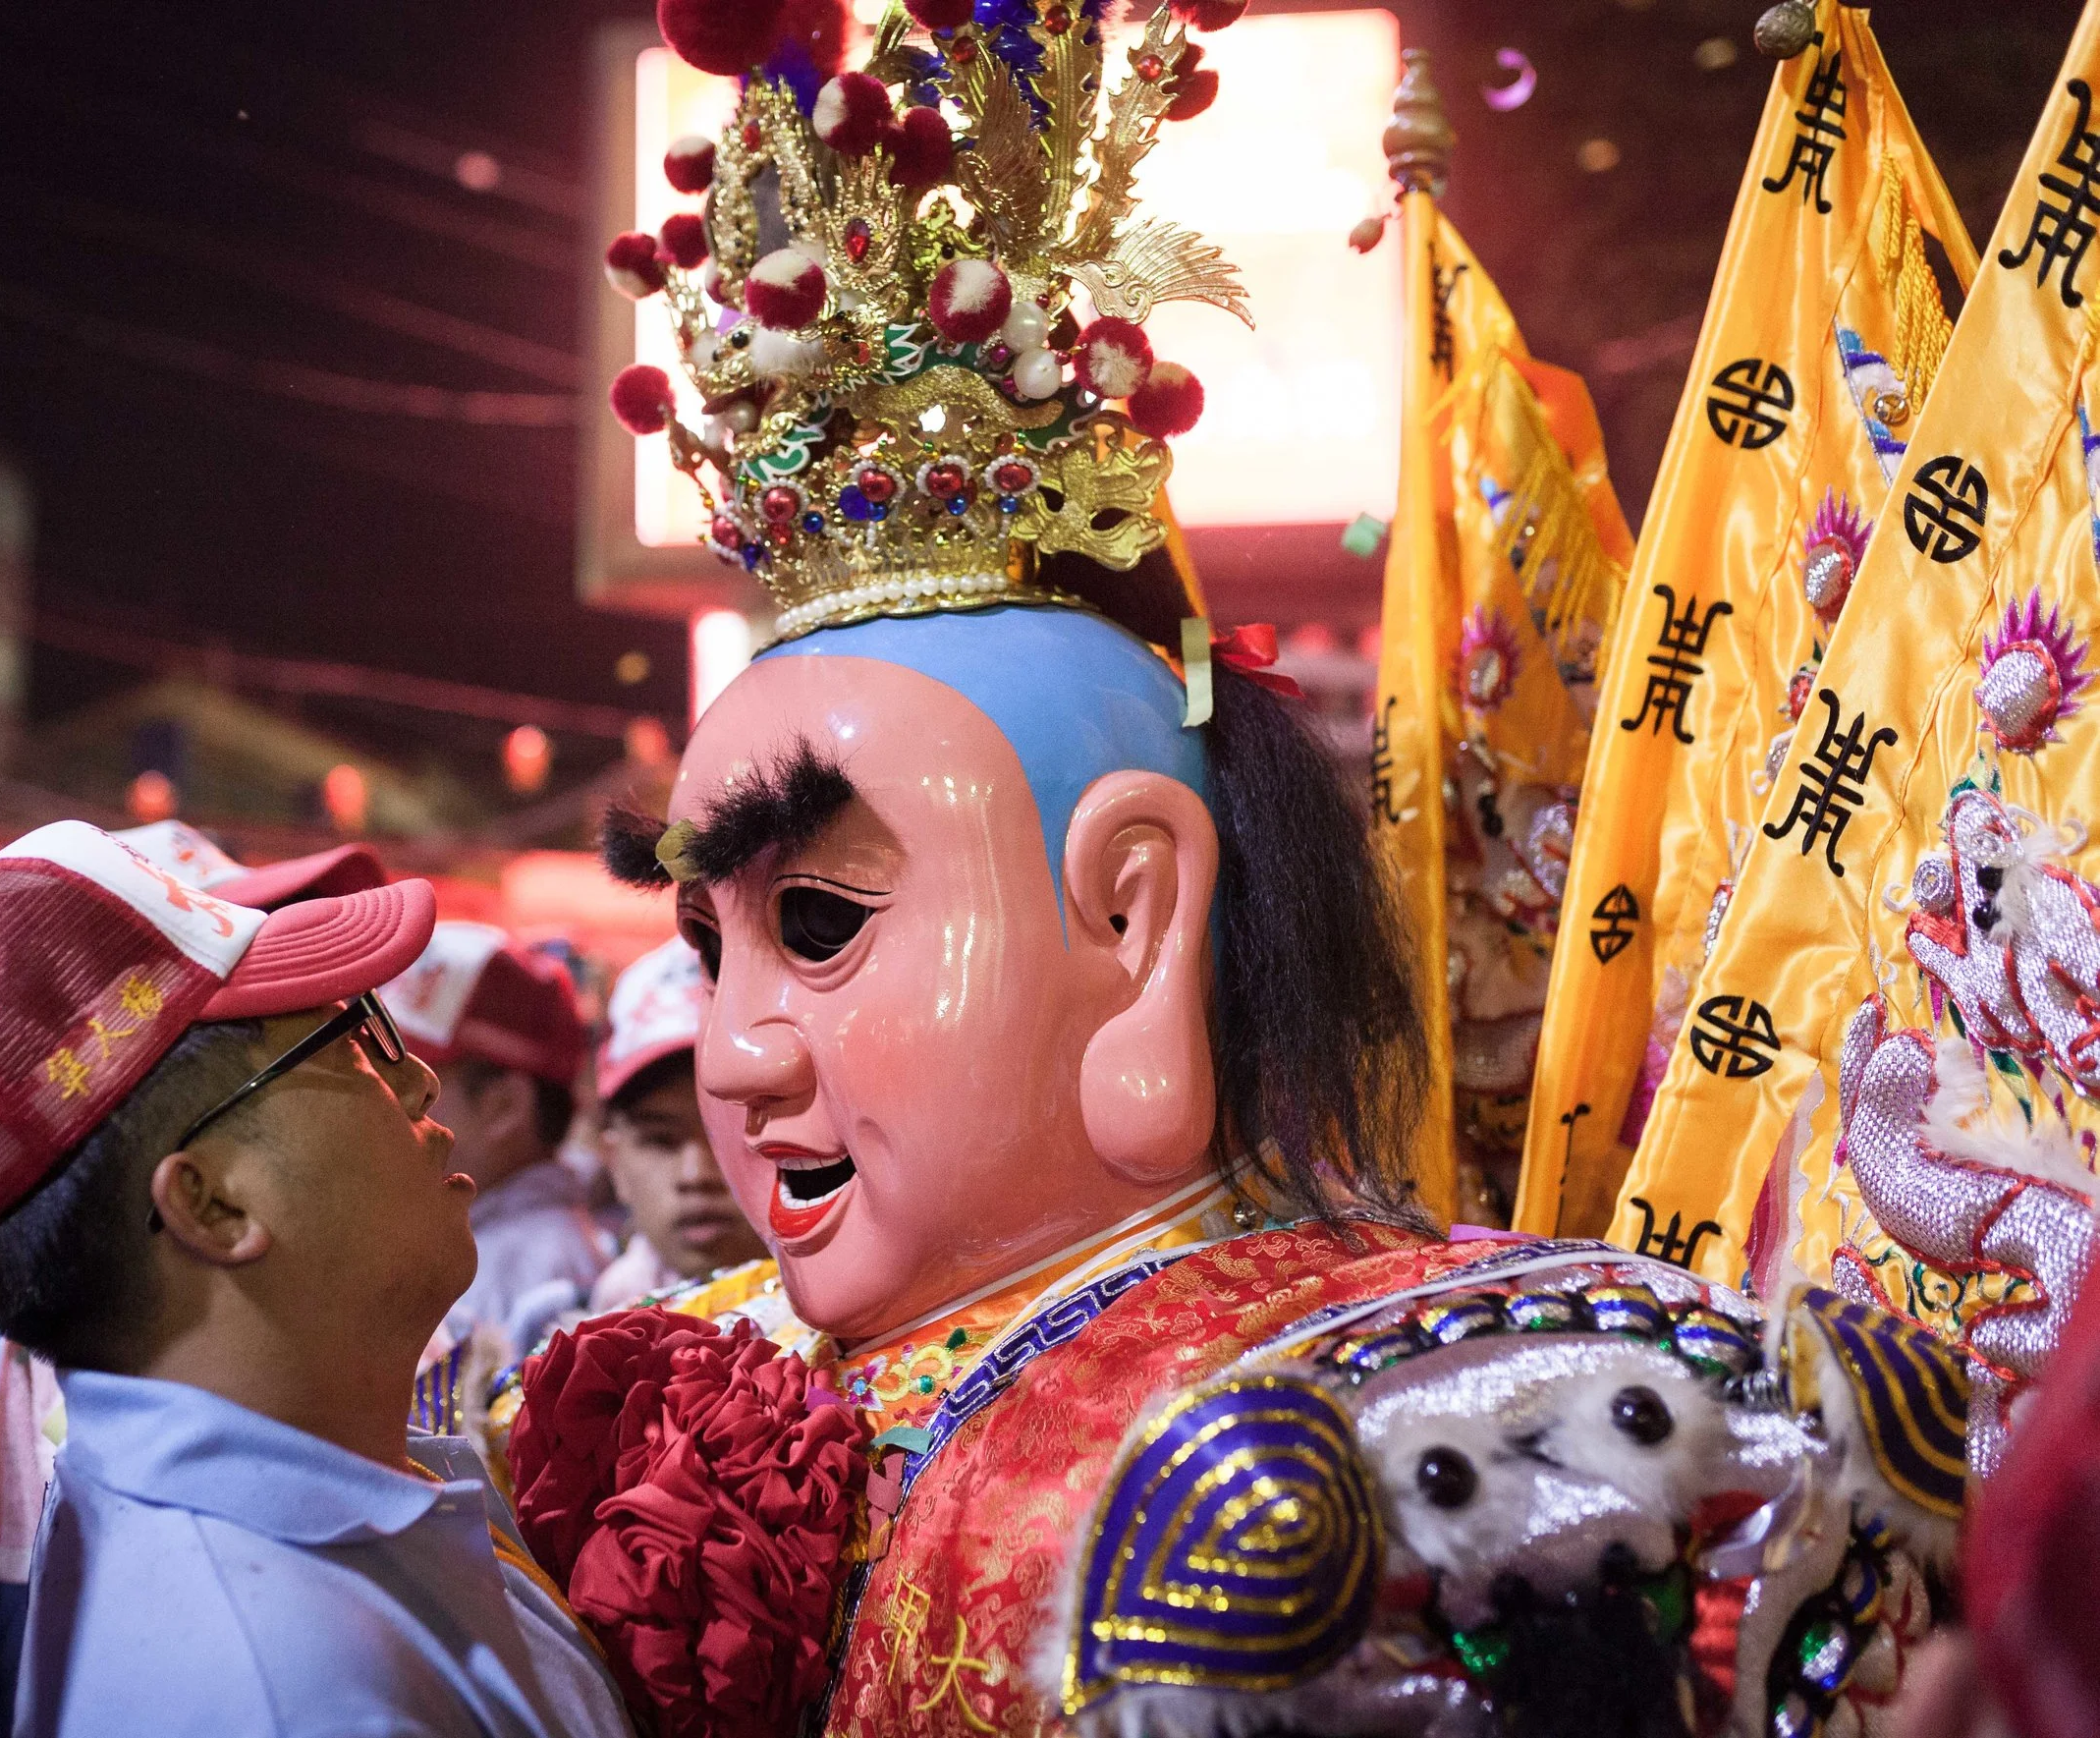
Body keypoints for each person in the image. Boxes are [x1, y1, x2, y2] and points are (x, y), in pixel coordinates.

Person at [491, 12, 1981, 1737]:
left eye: (816, 922)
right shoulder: (613, 1380)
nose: (736, 1049)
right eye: (709, 936)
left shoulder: (1412, 1433)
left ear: (1133, 919)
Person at [0, 820, 628, 1738]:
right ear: (212, 1204)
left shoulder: (322, 1500)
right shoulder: (288, 1686)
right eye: (347, 1040)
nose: (415, 1082)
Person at [379, 921, 606, 1356]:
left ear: (504, 1106)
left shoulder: (531, 1266)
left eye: (413, 1083)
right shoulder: (490, 1239)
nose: (381, 1102)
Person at [583, 936, 763, 1314]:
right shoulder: (595, 1327)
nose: (696, 1174)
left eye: (735, 1129)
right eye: (661, 1140)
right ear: (614, 1161)